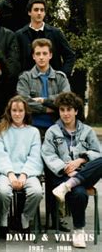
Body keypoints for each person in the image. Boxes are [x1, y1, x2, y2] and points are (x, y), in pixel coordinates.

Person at [42, 92, 102, 248]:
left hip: (84, 173)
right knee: (80, 193)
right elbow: (48, 156)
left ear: (76, 111)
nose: (66, 113)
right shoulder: (52, 132)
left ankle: (69, 185)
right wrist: (66, 169)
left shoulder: (87, 131)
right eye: (62, 110)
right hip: (62, 175)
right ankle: (79, 231)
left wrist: (81, 160)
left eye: (69, 109)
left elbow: (98, 152)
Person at [0, 96, 43, 235]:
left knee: (37, 192)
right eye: (14, 110)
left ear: (26, 112)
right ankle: (3, 218)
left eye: (21, 110)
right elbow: (0, 155)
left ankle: (25, 218)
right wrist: (10, 174)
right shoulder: (1, 131)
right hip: (6, 173)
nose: (17, 114)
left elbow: (35, 156)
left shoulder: (33, 132)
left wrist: (24, 175)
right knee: (3, 192)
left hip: (28, 172)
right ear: (9, 111)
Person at [17, 38, 71, 134]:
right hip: (31, 127)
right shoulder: (25, 77)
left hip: (57, 127)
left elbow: (66, 99)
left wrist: (43, 100)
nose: (41, 57)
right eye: (38, 54)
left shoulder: (60, 77)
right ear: (33, 56)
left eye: (44, 53)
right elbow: (23, 102)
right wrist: (46, 109)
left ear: (50, 55)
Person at [16, 0, 76, 77]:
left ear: (45, 13)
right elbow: (15, 60)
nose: (39, 13)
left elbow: (70, 56)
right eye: (36, 10)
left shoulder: (55, 33)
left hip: (53, 82)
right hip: (28, 83)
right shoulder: (20, 35)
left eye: (42, 10)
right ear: (29, 12)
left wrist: (62, 75)